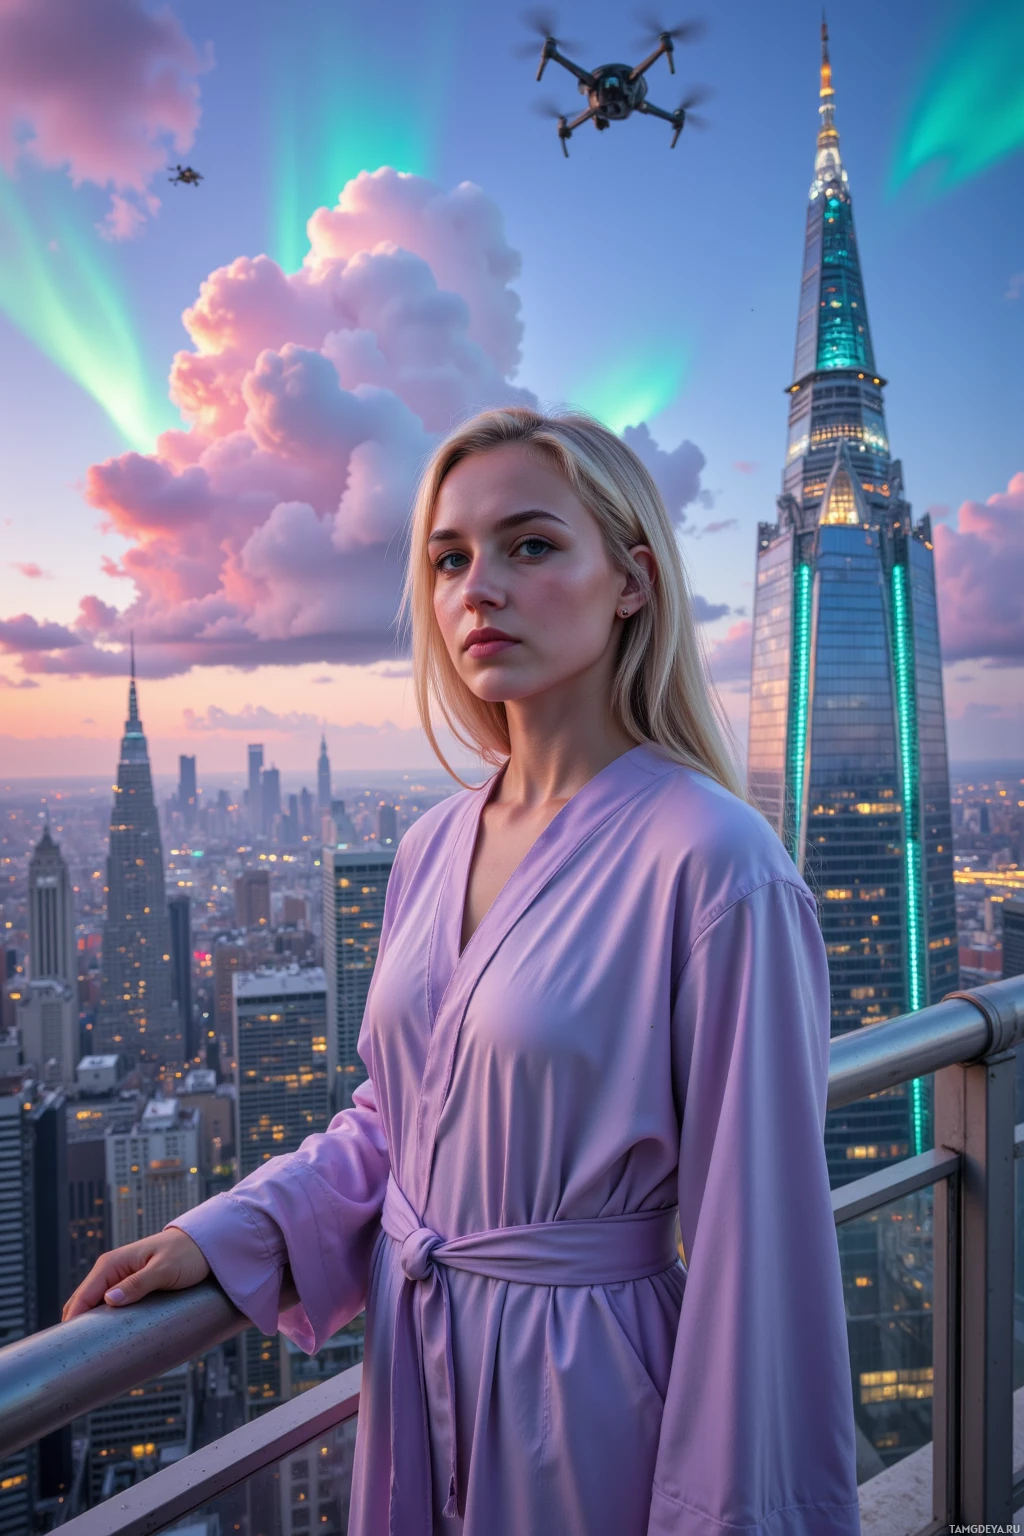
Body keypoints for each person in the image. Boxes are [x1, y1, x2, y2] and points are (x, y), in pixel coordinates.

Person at [65, 408, 861, 1535]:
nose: (477, 587)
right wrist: (226, 1232)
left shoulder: (718, 863)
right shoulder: (434, 844)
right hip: (413, 1370)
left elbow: (760, 1255)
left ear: (630, 579)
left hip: (588, 1405)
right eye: (449, 558)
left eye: (530, 545)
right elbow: (401, 1122)